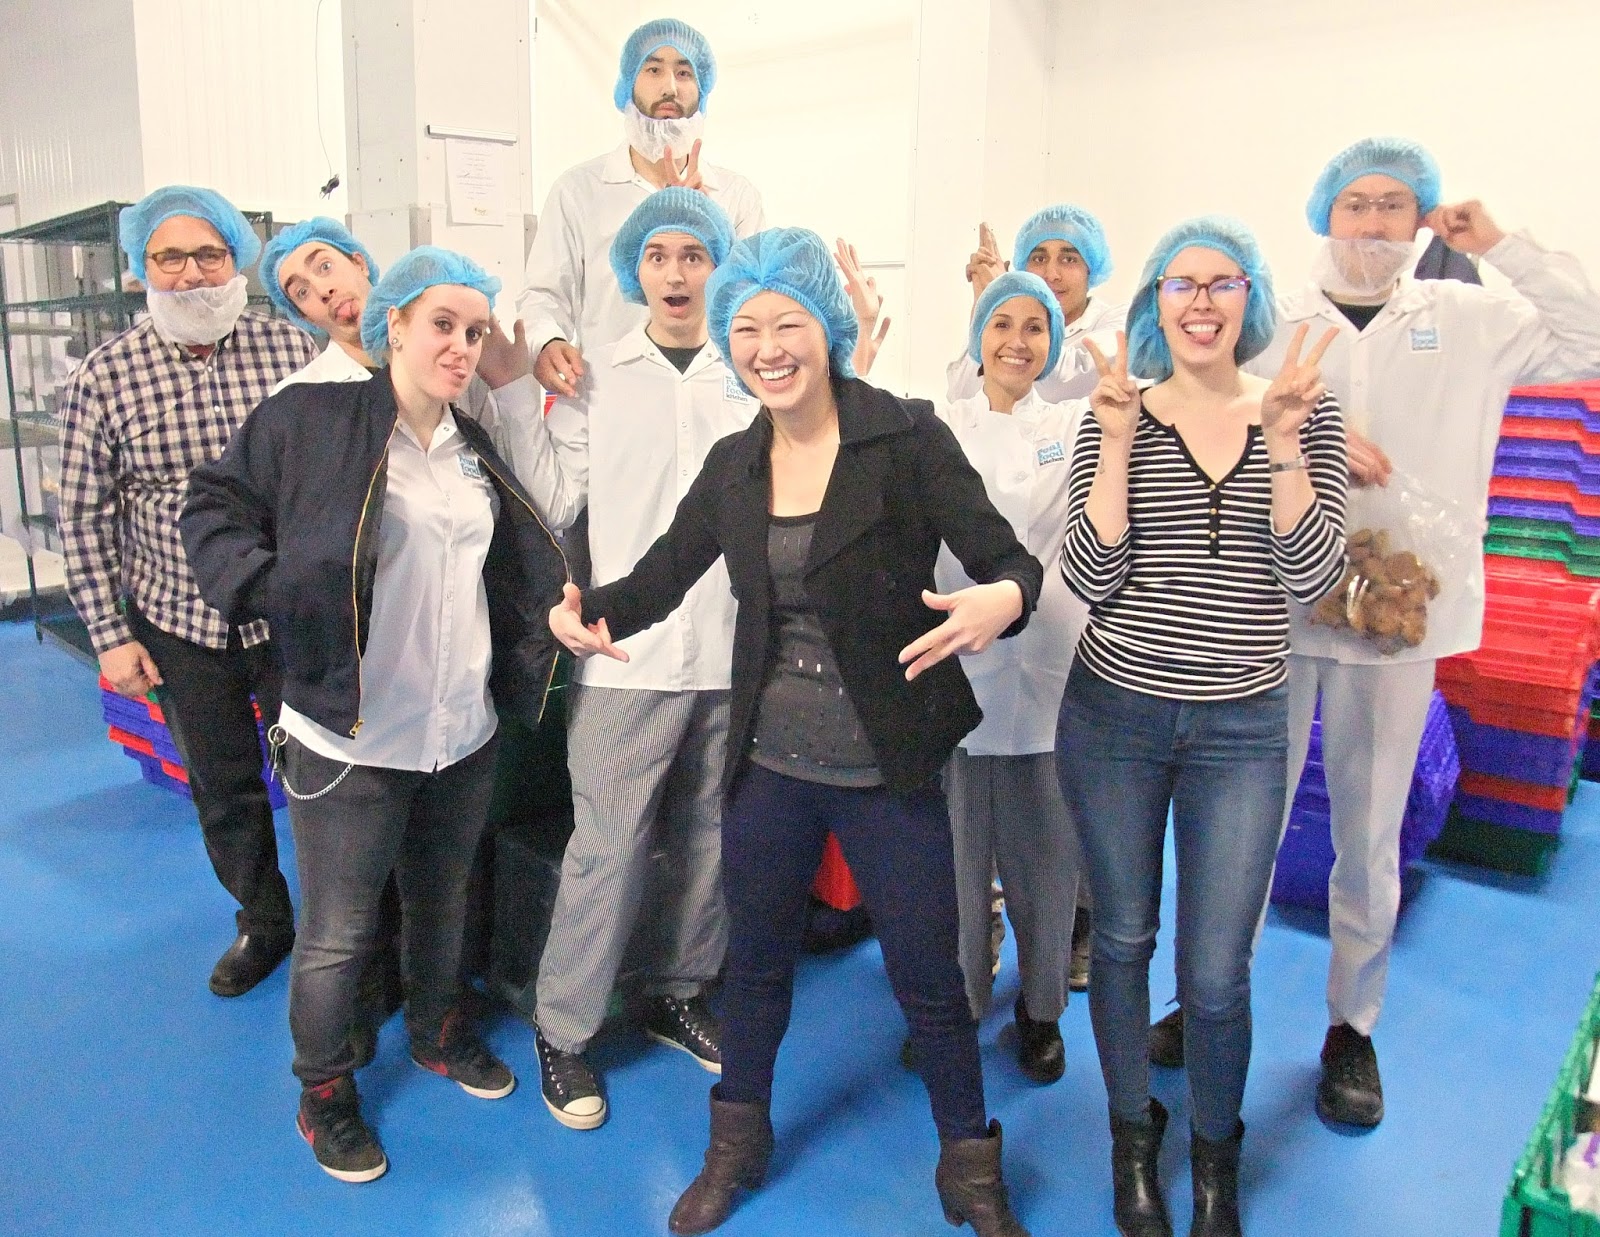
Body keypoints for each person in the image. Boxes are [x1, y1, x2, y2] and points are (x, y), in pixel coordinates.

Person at [549, 227, 1042, 1236]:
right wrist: (582, 611)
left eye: (788, 325)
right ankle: (736, 1142)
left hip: (885, 764)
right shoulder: (736, 462)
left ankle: (969, 1162)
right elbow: (660, 578)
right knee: (757, 967)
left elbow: (1009, 562)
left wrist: (1002, 598)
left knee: (928, 976)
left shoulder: (906, 438)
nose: (767, 348)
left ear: (830, 329)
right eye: (746, 329)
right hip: (769, 765)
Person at [1147, 138, 1600, 1131]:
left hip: (1397, 610)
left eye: (1394, 205)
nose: (1373, 223)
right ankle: (1205, 997)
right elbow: (1188, 395)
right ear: (1325, 212)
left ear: (1421, 218)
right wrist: (1298, 429)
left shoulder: (1470, 317)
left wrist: (1504, 246)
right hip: (1273, 603)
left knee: (1368, 828)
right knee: (1239, 826)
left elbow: (1591, 340)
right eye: (1355, 204)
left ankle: (1351, 1028)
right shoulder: (1270, 317)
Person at [180, 248, 569, 1183]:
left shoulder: (470, 444)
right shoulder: (310, 418)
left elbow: (506, 563)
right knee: (339, 933)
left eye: (474, 330)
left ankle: (436, 1030)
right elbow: (212, 506)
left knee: (442, 902)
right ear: (393, 322)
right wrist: (269, 591)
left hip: (458, 731)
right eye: (442, 324)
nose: (461, 346)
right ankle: (323, 1091)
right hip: (350, 737)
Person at [1057, 217, 1346, 1237]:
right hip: (1115, 715)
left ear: (1248, 299)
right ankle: (1132, 1136)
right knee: (1123, 938)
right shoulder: (1114, 412)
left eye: (1223, 283)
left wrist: (1283, 445)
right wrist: (1116, 444)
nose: (1202, 302)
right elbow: (1090, 576)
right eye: (1181, 284)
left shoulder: (1301, 411)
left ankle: (1215, 1156)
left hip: (1241, 728)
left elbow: (1311, 577)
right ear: (1156, 303)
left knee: (1216, 973)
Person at [511, 188, 753, 1132]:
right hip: (626, 651)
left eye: (695, 254)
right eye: (658, 255)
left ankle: (677, 990)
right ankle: (563, 1027)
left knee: (708, 836)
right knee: (606, 847)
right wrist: (515, 383)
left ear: (718, 267)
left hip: (733, 646)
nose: (677, 272)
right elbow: (553, 495)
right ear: (634, 270)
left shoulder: (748, 370)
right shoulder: (597, 374)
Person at [57, 185, 317, 997]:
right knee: (223, 784)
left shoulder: (291, 351)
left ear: (239, 259)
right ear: (140, 269)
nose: (192, 273)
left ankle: (345, 925)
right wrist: (110, 637)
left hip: (287, 614)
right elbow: (84, 516)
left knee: (323, 771)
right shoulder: (103, 377)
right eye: (169, 256)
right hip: (177, 620)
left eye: (210, 253)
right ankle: (264, 921)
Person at [934, 270, 1088, 1084]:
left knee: (1047, 862)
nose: (1017, 342)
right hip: (957, 666)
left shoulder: (1074, 424)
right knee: (956, 862)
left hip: (1047, 668)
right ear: (977, 335)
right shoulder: (939, 425)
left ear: (1053, 345)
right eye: (1001, 324)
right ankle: (956, 1002)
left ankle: (1041, 1010)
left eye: (1035, 327)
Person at [518, 17, 765, 400]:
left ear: (702, 89)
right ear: (627, 84)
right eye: (653, 69)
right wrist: (547, 341)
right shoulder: (579, 191)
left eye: (684, 72)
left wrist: (704, 226)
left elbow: (753, 304)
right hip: (609, 395)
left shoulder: (735, 195)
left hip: (712, 399)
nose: (670, 87)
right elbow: (544, 294)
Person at [948, 204, 1127, 403]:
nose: (1051, 274)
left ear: (1090, 268)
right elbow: (962, 397)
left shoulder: (1119, 323)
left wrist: (1005, 293)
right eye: (1039, 259)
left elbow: (1062, 386)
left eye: (1069, 259)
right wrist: (986, 304)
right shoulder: (997, 325)